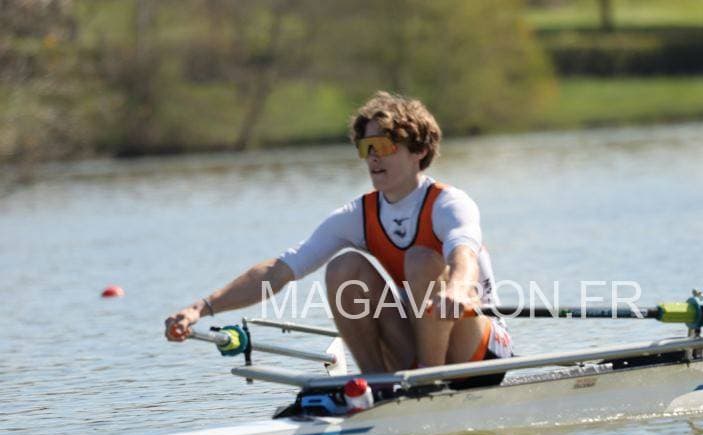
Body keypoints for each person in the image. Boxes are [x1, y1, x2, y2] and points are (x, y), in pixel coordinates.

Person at [165, 91, 512, 375]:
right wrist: (201, 308)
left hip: (479, 350)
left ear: (419, 151)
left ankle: (429, 383)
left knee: (421, 260)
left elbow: (463, 256)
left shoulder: (449, 203)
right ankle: (378, 383)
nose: (373, 158)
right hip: (422, 338)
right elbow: (280, 270)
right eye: (366, 148)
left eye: (384, 146)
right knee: (344, 268)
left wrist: (457, 289)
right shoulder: (358, 215)